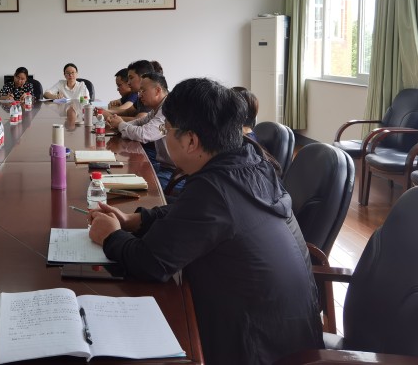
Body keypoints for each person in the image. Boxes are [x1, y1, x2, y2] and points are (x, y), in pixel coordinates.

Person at [88, 78, 323, 365]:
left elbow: (151, 263)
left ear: (190, 141)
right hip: (287, 336)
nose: (164, 136)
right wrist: (135, 220)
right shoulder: (251, 162)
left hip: (254, 349)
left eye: (166, 129)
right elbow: (189, 215)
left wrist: (111, 236)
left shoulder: (214, 190)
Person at [104, 72, 175, 190]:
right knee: (124, 178)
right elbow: (140, 122)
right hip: (164, 166)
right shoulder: (158, 108)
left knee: (132, 186)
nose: (139, 95)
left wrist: (120, 124)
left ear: (158, 90)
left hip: (174, 172)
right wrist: (118, 124)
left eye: (143, 91)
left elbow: (144, 134)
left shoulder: (168, 109)